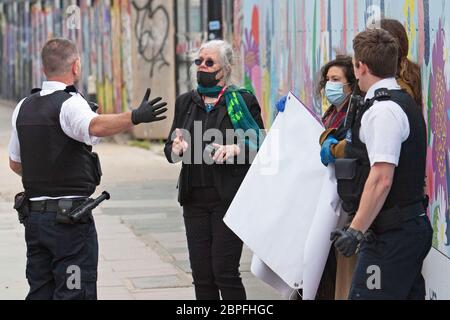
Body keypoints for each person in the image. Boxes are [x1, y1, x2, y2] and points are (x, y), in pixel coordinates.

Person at [8, 38, 168, 300]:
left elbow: (15, 163)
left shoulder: (23, 107)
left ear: (43, 67)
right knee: (74, 293)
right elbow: (94, 126)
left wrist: (45, 178)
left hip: (35, 221)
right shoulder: (70, 103)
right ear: (76, 66)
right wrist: (135, 116)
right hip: (67, 225)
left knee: (40, 292)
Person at [331, 28, 432, 300]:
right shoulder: (394, 101)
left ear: (361, 67)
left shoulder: (383, 111)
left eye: (354, 66)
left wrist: (356, 230)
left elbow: (381, 178)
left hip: (392, 236)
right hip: (400, 230)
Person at [164, 40, 264, 300]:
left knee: (224, 272)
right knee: (202, 275)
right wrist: (175, 148)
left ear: (226, 68)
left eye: (209, 62)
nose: (202, 67)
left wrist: (236, 149)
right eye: (199, 62)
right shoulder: (186, 101)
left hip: (228, 200)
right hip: (193, 199)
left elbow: (262, 145)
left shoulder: (242, 101)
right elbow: (170, 146)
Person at [276, 56, 357, 300]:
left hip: (338, 209)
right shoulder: (332, 112)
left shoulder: (352, 116)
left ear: (350, 85)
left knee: (326, 272)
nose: (330, 85)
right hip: (318, 203)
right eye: (328, 80)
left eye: (336, 80)